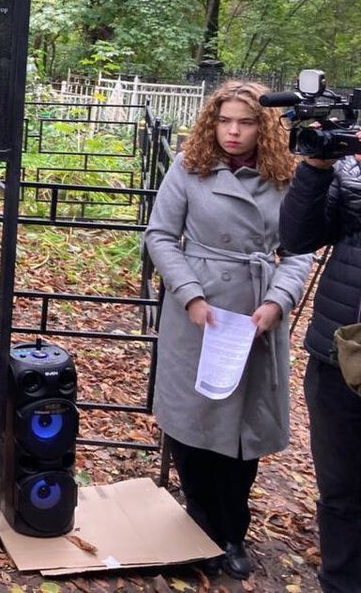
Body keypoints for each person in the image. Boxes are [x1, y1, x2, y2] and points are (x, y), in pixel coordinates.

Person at [144, 81, 312, 580]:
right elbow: (159, 235)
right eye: (225, 121)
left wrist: (277, 303)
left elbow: (298, 250)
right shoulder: (189, 167)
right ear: (212, 122)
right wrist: (191, 295)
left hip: (255, 318)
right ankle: (202, 527)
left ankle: (232, 531)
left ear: (266, 127)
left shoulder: (285, 177)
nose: (233, 132)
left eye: (246, 122)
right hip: (198, 314)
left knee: (243, 432)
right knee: (193, 423)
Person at [278, 133, 361, 593]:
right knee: (342, 487)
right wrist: (316, 168)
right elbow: (297, 237)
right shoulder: (349, 170)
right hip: (341, 351)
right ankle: (340, 581)